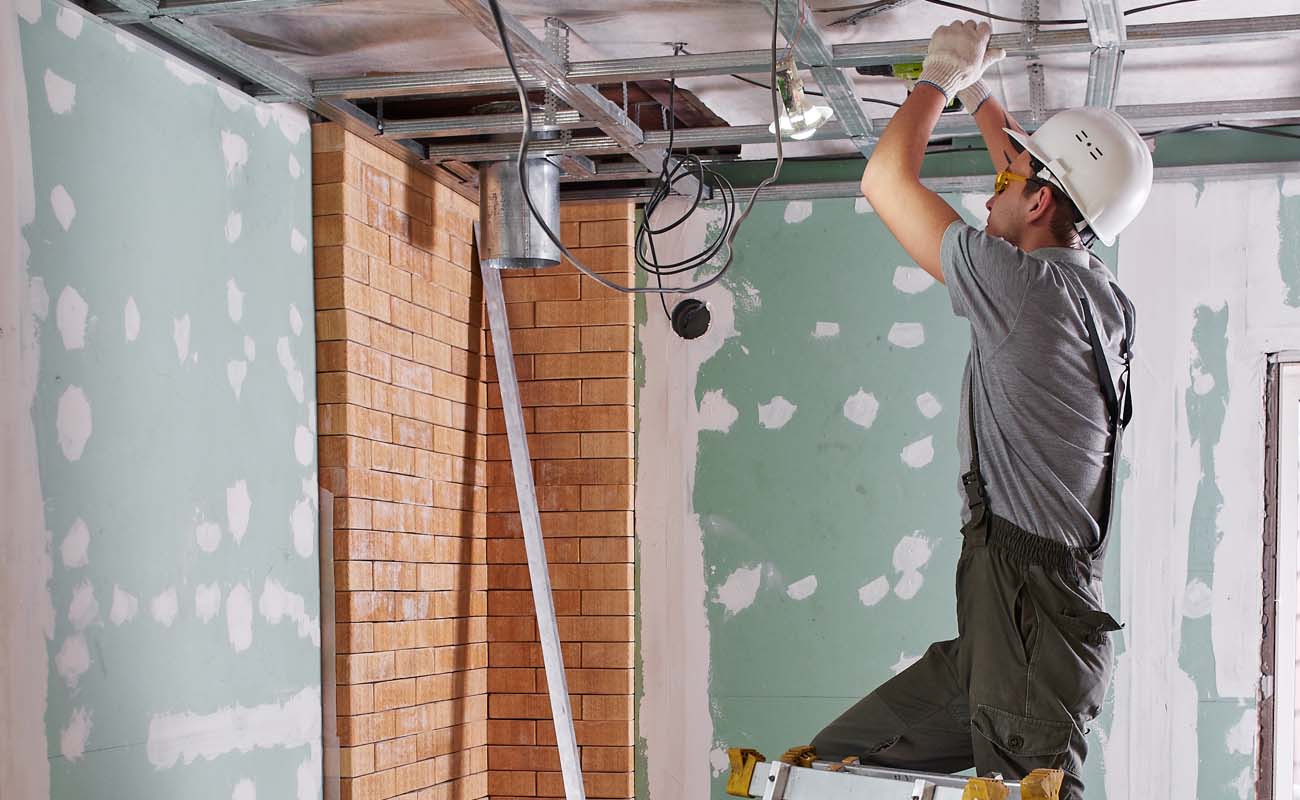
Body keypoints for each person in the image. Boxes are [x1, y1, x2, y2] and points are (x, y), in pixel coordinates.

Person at [788, 20, 1153, 800]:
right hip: (1020, 629)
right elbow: (1034, 201)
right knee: (822, 773)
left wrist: (940, 79)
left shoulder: (1025, 291)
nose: (988, 192)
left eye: (1003, 181)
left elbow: (885, 181)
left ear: (1043, 199)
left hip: (1029, 638)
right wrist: (985, 96)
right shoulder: (1096, 297)